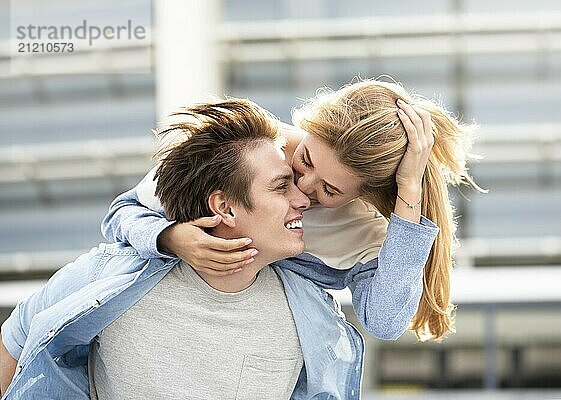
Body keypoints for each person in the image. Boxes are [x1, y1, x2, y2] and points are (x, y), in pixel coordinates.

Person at [0, 99, 378, 399]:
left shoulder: (314, 316)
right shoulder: (109, 279)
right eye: (282, 186)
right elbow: (14, 343)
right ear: (224, 207)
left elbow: (386, 319)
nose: (303, 198)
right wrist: (167, 237)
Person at [102, 78, 481, 341]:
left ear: (363, 194)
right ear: (307, 126)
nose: (303, 188)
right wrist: (170, 237)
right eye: (306, 159)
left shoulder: (370, 232)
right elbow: (122, 211)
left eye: (330, 189)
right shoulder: (247, 149)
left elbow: (385, 321)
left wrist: (409, 190)